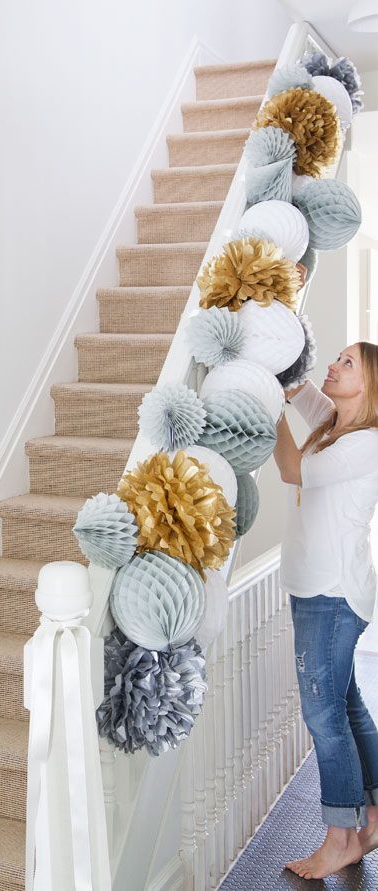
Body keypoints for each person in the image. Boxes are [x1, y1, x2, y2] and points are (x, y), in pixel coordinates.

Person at [273, 341, 378, 880]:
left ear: (372, 384)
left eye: (347, 364)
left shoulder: (366, 443)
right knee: (346, 702)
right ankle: (373, 813)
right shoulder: (335, 425)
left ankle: (341, 838)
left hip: (331, 593)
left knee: (323, 714)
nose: (333, 368)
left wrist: (261, 407)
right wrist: (274, 371)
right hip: (320, 588)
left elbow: (291, 469)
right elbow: (298, 389)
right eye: (335, 358)